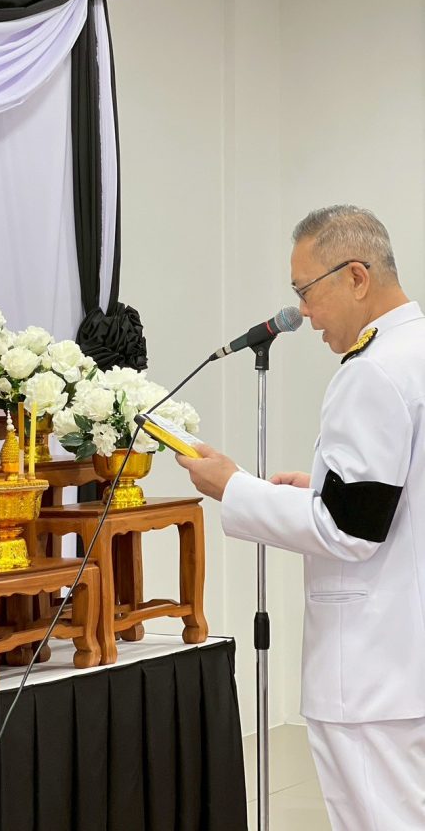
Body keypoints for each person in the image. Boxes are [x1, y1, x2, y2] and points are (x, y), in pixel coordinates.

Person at [176, 205, 425, 831]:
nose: (304, 312)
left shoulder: (374, 371)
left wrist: (233, 488)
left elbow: (350, 530)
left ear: (357, 277)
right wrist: (322, 488)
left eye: (306, 290)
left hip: (371, 669)